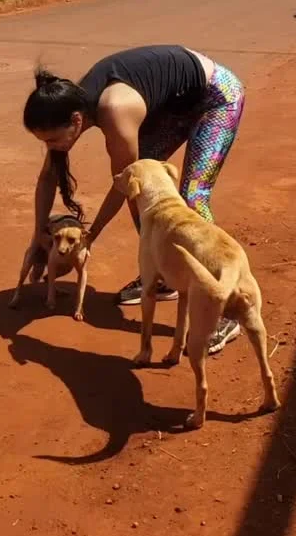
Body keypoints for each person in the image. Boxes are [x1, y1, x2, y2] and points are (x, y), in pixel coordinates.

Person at [22, 44, 245, 353]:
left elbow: (124, 185)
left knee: (191, 197)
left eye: (53, 140)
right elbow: (47, 177)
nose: (51, 147)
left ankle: (227, 305)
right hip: (176, 105)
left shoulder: (114, 110)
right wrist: (37, 237)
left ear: (75, 121)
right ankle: (166, 275)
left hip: (216, 98)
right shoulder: (71, 104)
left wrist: (89, 237)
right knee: (145, 192)